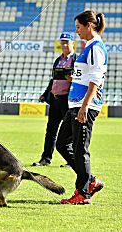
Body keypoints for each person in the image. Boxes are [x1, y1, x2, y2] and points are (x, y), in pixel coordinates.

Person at [57, 10, 107, 205]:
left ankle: (83, 194)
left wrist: (85, 106)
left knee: (80, 150)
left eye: (78, 27)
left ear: (88, 26)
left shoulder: (96, 48)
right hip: (75, 104)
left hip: (85, 106)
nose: (76, 31)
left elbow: (96, 79)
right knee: (62, 144)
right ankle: (91, 180)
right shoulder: (89, 47)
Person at [33, 32, 76, 167]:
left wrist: (72, 79)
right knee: (51, 130)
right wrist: (45, 94)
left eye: (67, 42)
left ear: (72, 43)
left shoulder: (77, 60)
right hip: (55, 100)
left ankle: (71, 160)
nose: (64, 45)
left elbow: (81, 81)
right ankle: (46, 158)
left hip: (67, 101)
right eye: (62, 42)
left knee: (71, 132)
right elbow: (53, 80)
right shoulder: (58, 60)